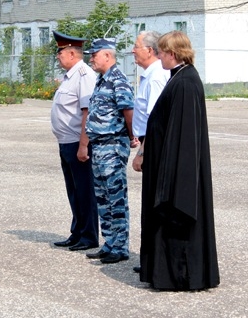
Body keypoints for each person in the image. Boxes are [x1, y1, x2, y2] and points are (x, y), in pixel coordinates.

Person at [139, 30, 220, 290]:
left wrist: (170, 179)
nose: (159, 56)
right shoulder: (181, 77)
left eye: (161, 52)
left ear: (172, 54)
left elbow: (182, 136)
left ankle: (179, 275)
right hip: (165, 163)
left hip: (174, 171)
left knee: (175, 222)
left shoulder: (185, 83)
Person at [83, 38, 137, 264]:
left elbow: (128, 111)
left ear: (107, 55)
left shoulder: (118, 80)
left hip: (113, 146)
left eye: (94, 55)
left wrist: (133, 136)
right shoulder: (100, 80)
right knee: (103, 198)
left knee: (116, 198)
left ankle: (121, 246)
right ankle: (110, 242)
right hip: (99, 146)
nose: (91, 59)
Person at [50, 31, 99, 251]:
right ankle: (77, 232)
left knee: (84, 190)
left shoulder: (84, 75)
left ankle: (89, 236)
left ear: (71, 52)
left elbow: (87, 112)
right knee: (74, 190)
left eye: (60, 52)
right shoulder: (70, 76)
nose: (58, 56)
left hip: (77, 143)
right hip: (66, 142)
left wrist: (83, 144)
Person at [130, 31, 169, 274]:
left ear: (150, 50)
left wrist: (142, 151)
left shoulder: (156, 77)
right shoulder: (149, 75)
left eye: (136, 46)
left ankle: (154, 259)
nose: (133, 51)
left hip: (153, 146)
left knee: (154, 204)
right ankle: (150, 258)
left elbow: (155, 119)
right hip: (147, 142)